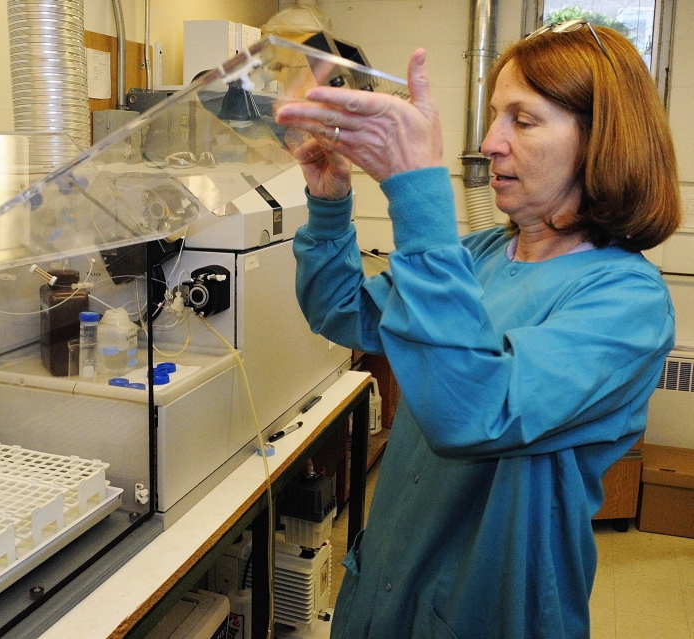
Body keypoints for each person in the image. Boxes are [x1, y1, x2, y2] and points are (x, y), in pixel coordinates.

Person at [274, 21, 681, 639]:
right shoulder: (482, 252)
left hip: (485, 611)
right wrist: (330, 203)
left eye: (523, 120)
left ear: (601, 141)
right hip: (386, 584)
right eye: (494, 117)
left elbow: (473, 413)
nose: (489, 142)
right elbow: (344, 313)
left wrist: (417, 192)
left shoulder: (628, 303)